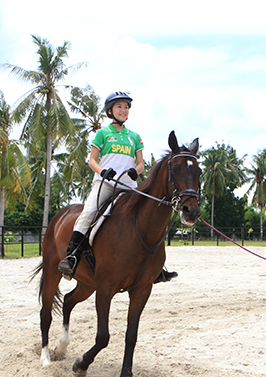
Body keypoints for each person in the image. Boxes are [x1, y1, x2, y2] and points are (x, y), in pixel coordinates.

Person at [58, 91, 178, 284]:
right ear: (110, 111)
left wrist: (135, 171)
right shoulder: (102, 133)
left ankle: (157, 267)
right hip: (105, 184)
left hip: (129, 186)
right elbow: (92, 160)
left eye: (126, 107)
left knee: (149, 219)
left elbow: (140, 164)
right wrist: (102, 171)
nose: (124, 110)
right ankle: (72, 257)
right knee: (88, 213)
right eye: (119, 106)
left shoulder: (135, 137)